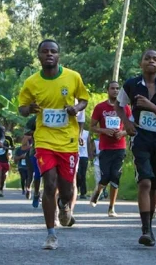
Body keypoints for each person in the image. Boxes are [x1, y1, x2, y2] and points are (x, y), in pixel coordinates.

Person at [18, 39, 89, 250]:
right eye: (45, 51)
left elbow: (84, 99)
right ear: (39, 55)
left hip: (67, 141)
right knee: (49, 184)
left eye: (53, 51)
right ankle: (51, 234)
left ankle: (64, 204)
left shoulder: (73, 76)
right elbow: (22, 108)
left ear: (59, 55)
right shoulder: (32, 82)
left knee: (67, 189)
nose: (49, 54)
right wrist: (29, 109)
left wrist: (76, 109)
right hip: (44, 140)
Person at [116, 49, 156, 247]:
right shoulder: (131, 85)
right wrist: (127, 122)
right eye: (147, 58)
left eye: (155, 59)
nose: (151, 61)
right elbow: (119, 105)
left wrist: (151, 106)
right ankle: (146, 230)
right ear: (141, 63)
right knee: (145, 182)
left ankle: (149, 225)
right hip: (140, 138)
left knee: (155, 185)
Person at [89, 81, 130, 217]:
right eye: (112, 88)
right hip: (105, 147)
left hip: (119, 147)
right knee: (106, 176)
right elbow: (92, 126)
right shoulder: (100, 107)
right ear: (108, 90)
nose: (115, 91)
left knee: (115, 177)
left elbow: (132, 127)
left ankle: (111, 207)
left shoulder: (125, 108)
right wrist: (104, 130)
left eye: (118, 88)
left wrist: (123, 133)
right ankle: (98, 190)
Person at [76, 128, 90, 199]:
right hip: (76, 155)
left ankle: (83, 193)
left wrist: (89, 155)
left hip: (84, 156)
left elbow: (88, 144)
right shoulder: (74, 130)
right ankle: (75, 188)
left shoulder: (87, 133)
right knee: (77, 174)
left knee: (83, 175)